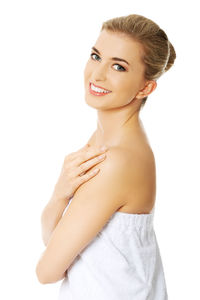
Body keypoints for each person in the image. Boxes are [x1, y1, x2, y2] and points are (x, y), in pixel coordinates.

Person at [35, 13, 176, 300]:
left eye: (119, 67)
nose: (97, 75)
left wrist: (59, 196)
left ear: (145, 87)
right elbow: (57, 248)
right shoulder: (105, 140)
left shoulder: (117, 160)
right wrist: (60, 194)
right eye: (96, 56)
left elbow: (46, 272)